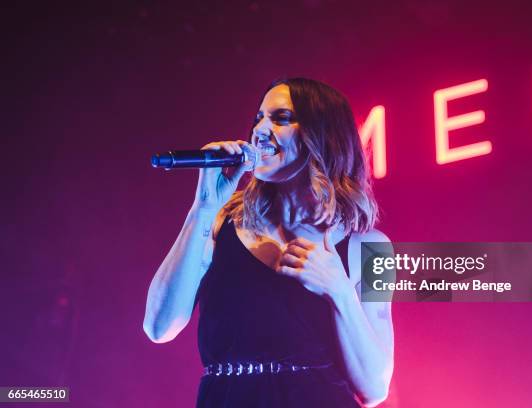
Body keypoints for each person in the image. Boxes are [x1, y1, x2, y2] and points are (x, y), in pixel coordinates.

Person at [143, 78, 394, 407]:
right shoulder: (221, 227)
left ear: (323, 134)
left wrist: (340, 291)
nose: (260, 130)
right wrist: (203, 208)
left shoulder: (372, 247)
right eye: (258, 118)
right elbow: (159, 326)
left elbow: (375, 389)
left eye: (281, 118)